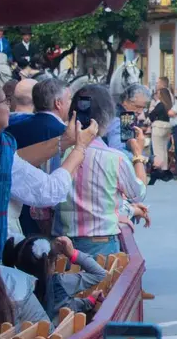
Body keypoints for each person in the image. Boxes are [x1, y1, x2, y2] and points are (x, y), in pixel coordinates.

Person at [0, 80, 98, 261]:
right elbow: (49, 191)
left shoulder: (1, 149)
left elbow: (17, 159)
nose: (9, 107)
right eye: (5, 102)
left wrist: (66, 140)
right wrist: (80, 148)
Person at [53, 85, 147, 257]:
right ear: (107, 118)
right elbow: (138, 193)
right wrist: (138, 154)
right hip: (101, 245)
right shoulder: (115, 158)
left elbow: (41, 210)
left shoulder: (53, 154)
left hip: (61, 243)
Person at [11, 235, 106, 320]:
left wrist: (88, 301)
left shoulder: (13, 289)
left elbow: (66, 304)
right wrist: (72, 253)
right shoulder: (60, 282)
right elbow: (99, 274)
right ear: (49, 262)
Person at [5, 78, 71, 149]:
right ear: (58, 103)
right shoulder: (66, 134)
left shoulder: (11, 128)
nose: (71, 103)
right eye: (69, 98)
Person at [105, 84, 150, 154]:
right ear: (125, 101)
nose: (140, 111)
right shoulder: (123, 118)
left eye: (143, 108)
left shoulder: (126, 115)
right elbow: (118, 151)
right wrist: (141, 157)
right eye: (137, 106)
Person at [148, 88, 174, 183]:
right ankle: (164, 169)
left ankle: (158, 170)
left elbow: (151, 115)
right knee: (164, 150)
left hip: (158, 126)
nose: (157, 95)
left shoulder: (159, 104)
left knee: (157, 149)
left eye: (159, 93)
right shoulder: (169, 104)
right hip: (167, 126)